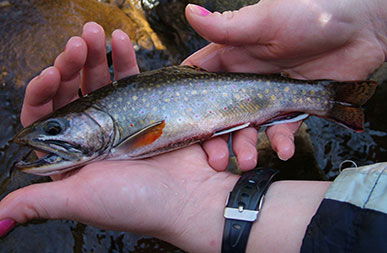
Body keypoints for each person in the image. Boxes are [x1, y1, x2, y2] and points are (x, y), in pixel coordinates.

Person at [0, 1, 386, 252]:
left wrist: (371, 20)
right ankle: (326, 99)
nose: (48, 140)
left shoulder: (129, 140)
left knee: (303, 99)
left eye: (55, 131)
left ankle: (325, 98)